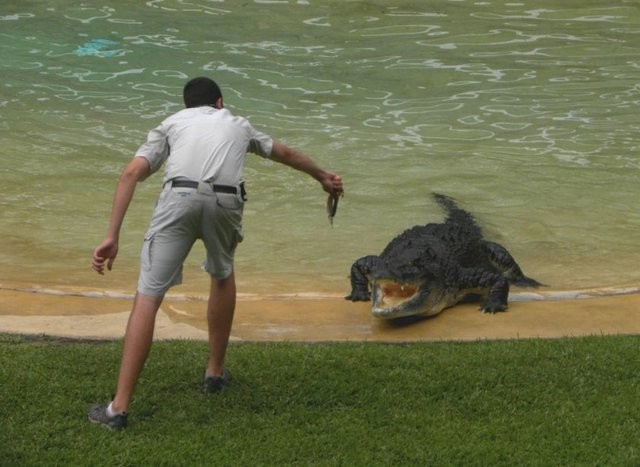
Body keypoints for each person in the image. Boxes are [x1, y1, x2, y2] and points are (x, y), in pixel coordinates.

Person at [88, 77, 344, 430]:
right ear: (220, 102)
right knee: (222, 273)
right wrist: (322, 176)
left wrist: (111, 236)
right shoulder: (237, 123)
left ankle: (118, 409)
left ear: (187, 105)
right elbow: (284, 153)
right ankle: (215, 372)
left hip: (178, 197)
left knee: (148, 295)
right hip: (226, 199)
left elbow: (131, 172)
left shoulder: (172, 123)